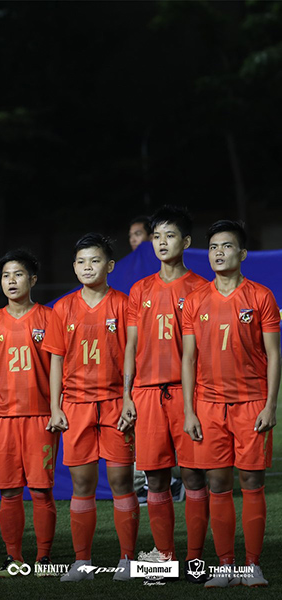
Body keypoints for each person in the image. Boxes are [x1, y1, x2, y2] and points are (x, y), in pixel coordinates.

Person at [182, 220, 279, 588]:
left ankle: (251, 566)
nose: (218, 252)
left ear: (242, 253)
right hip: (208, 406)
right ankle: (226, 566)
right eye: (212, 247)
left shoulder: (261, 297)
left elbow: (274, 355)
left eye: (226, 246)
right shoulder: (195, 301)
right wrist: (189, 410)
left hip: (251, 404)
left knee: (252, 481)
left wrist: (270, 406)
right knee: (218, 483)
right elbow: (188, 358)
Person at [119, 206, 208, 580]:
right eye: (156, 236)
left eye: (169, 236)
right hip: (146, 394)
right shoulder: (140, 289)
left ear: (185, 242)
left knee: (193, 477)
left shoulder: (201, 288)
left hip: (188, 395)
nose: (161, 243)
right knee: (155, 479)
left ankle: (195, 559)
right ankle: (164, 558)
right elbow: (130, 346)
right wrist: (127, 395)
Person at [43, 234, 137, 582]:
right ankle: (82, 563)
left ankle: (128, 560)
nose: (87, 267)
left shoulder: (124, 304)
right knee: (82, 483)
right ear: (73, 267)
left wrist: (128, 397)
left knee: (121, 480)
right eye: (81, 262)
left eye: (95, 261)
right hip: (76, 405)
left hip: (114, 404)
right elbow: (56, 360)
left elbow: (132, 356)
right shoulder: (63, 308)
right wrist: (55, 406)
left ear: (110, 266)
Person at [0, 250, 58, 575]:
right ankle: (14, 556)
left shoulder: (49, 318)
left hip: (40, 417)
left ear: (32, 280)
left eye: (18, 274)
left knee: (40, 489)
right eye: (6, 275)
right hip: (2, 417)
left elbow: (58, 368)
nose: (11, 281)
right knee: (9, 491)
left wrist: (56, 409)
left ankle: (44, 556)